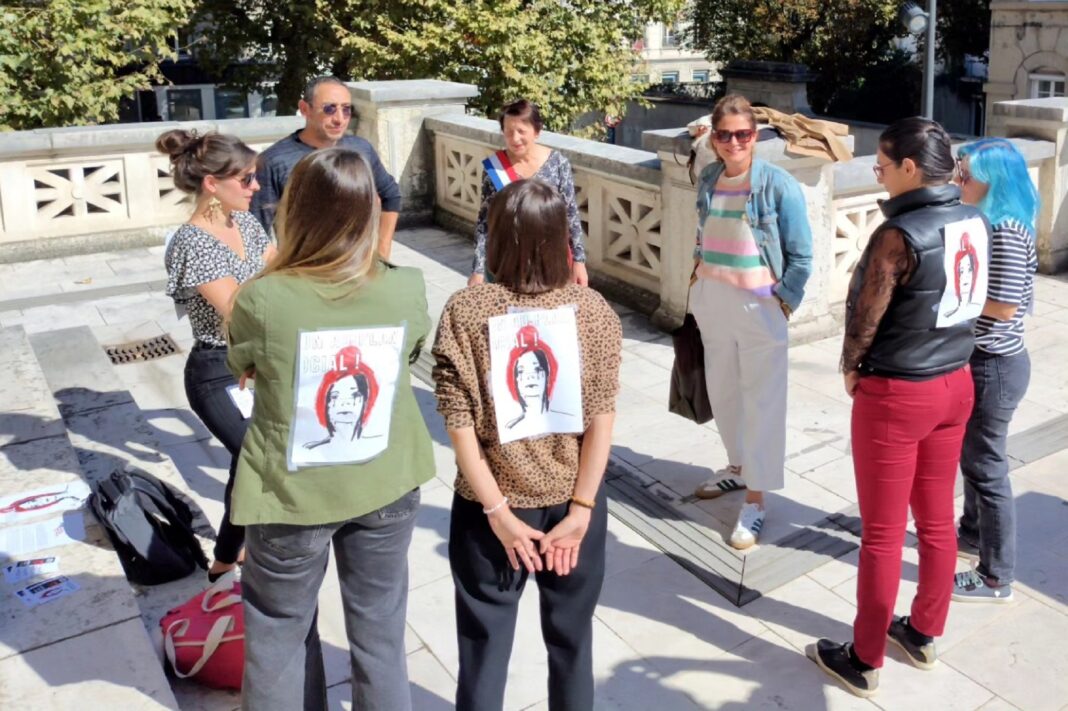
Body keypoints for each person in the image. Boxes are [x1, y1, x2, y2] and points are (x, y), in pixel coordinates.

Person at [227, 148, 434, 710]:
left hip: (293, 495)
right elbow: (413, 350)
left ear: (293, 210)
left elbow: (240, 362)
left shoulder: (263, 297)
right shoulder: (406, 285)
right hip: (386, 482)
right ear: (368, 210)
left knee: (278, 635)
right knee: (381, 633)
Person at [808, 117, 992, 698]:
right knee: (938, 521)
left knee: (884, 535)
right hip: (955, 381)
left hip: (900, 393)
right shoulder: (972, 217)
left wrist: (851, 366)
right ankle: (924, 630)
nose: (877, 173)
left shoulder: (900, 233)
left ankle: (863, 658)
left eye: (883, 164)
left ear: (911, 169)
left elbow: (866, 314)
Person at [433, 179, 622, 710]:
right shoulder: (593, 311)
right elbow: (602, 420)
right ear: (562, 238)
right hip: (572, 505)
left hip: (488, 507)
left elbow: (458, 421)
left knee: (483, 646)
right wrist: (582, 510)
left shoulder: (465, 311)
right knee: (571, 642)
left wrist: (496, 511)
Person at [688, 94, 813, 550]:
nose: (734, 142)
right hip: (712, 299)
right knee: (724, 393)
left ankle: (757, 500)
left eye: (743, 134)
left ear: (756, 136)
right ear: (715, 138)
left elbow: (801, 255)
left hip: (759, 305)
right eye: (725, 135)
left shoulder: (777, 185)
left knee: (762, 401)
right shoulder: (708, 177)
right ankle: (738, 468)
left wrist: (781, 301)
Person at [158, 129, 274, 582]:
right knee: (253, 456)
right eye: (245, 179)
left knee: (255, 459)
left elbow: (279, 271)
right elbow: (238, 310)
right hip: (216, 369)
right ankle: (226, 556)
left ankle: (235, 548)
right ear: (212, 183)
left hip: (258, 361)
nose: (255, 187)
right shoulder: (192, 242)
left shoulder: (243, 220)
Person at [951, 138, 1039, 603]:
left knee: (987, 467)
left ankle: (995, 577)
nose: (958, 180)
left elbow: (1003, 307)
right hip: (990, 362)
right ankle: (970, 532)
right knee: (974, 458)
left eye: (965, 174)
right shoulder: (996, 222)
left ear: (993, 180)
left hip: (995, 365)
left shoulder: (1004, 229)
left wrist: (945, 299)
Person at [250, 75, 403, 258]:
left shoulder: (361, 149)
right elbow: (255, 230)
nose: (339, 119)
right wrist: (281, 270)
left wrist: (382, 252)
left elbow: (391, 195)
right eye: (329, 109)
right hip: (305, 273)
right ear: (305, 109)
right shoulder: (274, 160)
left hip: (357, 270)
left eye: (346, 109)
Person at [468, 98, 589, 287]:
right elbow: (485, 222)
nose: (515, 139)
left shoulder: (557, 164)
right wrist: (478, 270)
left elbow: (571, 215)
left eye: (521, 131)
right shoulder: (495, 169)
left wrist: (579, 261)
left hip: (551, 260)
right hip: (507, 262)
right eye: (508, 132)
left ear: (537, 132)